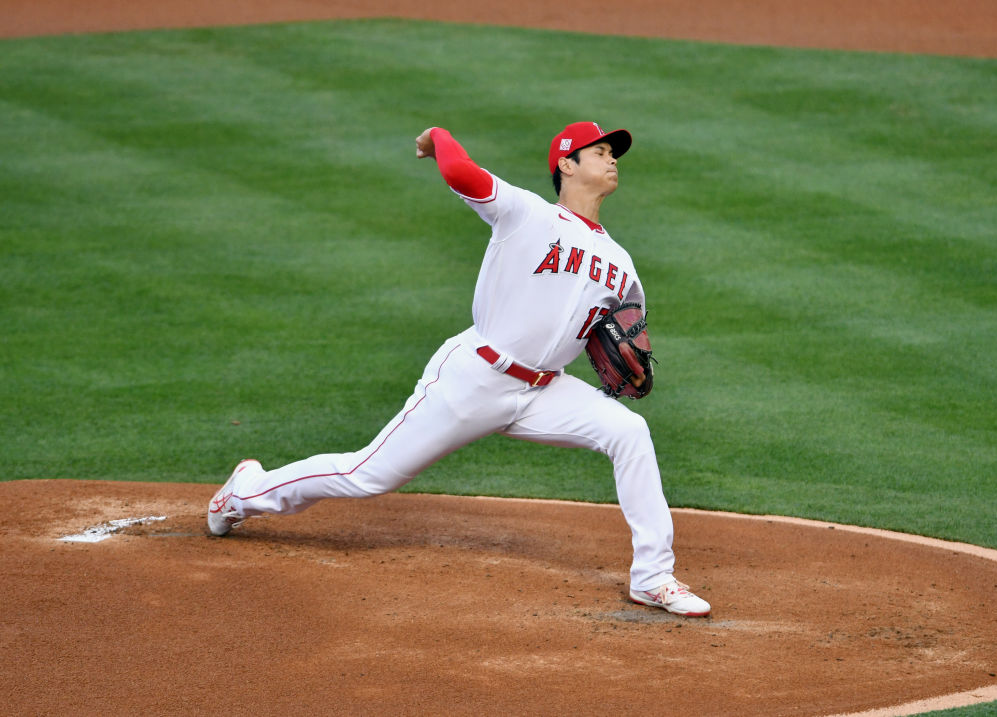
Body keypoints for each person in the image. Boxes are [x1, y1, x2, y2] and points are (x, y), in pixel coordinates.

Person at [207, 122, 711, 617]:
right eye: (599, 152)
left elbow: (626, 329)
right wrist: (439, 136)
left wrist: (629, 361)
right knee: (367, 475)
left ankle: (652, 578)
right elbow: (464, 175)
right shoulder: (527, 214)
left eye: (613, 153)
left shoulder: (620, 261)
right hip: (474, 379)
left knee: (629, 431)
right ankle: (246, 491)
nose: (612, 159)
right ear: (566, 164)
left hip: (546, 391)